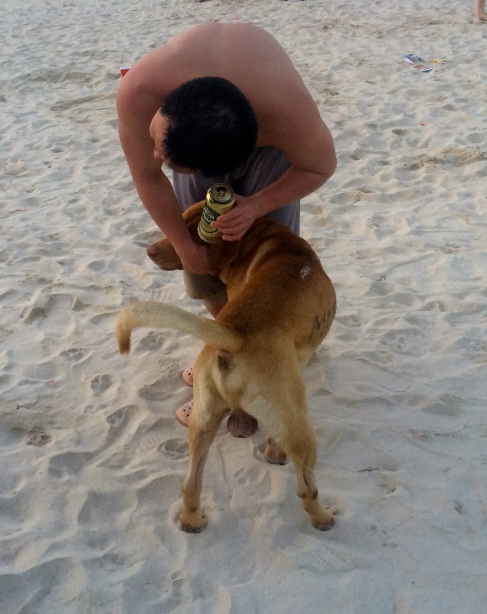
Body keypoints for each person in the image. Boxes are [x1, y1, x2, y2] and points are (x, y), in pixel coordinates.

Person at [116, 21, 337, 426]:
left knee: (267, 272)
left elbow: (321, 166)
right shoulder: (140, 93)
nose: (154, 155)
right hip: (198, 133)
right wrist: (183, 247)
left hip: (263, 141)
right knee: (200, 254)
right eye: (157, 142)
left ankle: (260, 372)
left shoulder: (285, 114)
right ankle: (230, 357)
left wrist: (256, 205)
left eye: (170, 162)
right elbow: (148, 176)